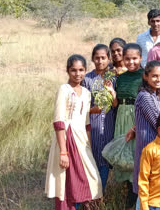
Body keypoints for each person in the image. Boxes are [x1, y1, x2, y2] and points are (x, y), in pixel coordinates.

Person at [45, 54, 102, 210]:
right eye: (74, 70)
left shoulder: (86, 93)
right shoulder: (64, 90)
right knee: (65, 181)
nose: (78, 74)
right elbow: (58, 122)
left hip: (82, 140)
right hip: (66, 139)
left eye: (81, 70)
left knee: (91, 178)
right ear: (68, 71)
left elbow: (87, 123)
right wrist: (63, 152)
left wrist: (88, 146)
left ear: (85, 70)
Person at [81, 44, 118, 193]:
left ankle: (98, 195)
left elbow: (116, 105)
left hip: (109, 125)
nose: (100, 61)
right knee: (92, 158)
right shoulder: (87, 79)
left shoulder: (113, 78)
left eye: (103, 58)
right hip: (92, 126)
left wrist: (112, 93)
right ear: (92, 59)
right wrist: (92, 110)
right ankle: (89, 195)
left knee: (105, 160)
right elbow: (81, 105)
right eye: (97, 58)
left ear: (109, 59)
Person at [114, 43, 144, 210]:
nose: (131, 62)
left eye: (134, 58)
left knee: (135, 154)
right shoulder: (121, 77)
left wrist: (137, 124)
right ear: (123, 59)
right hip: (121, 116)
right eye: (127, 58)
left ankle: (136, 195)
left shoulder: (144, 75)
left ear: (140, 58)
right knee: (124, 153)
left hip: (136, 117)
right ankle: (128, 190)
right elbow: (116, 101)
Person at [133, 60, 160, 197]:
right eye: (154, 76)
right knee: (147, 188)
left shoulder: (154, 95)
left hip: (154, 146)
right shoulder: (145, 96)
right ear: (146, 76)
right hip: (148, 145)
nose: (158, 79)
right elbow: (158, 123)